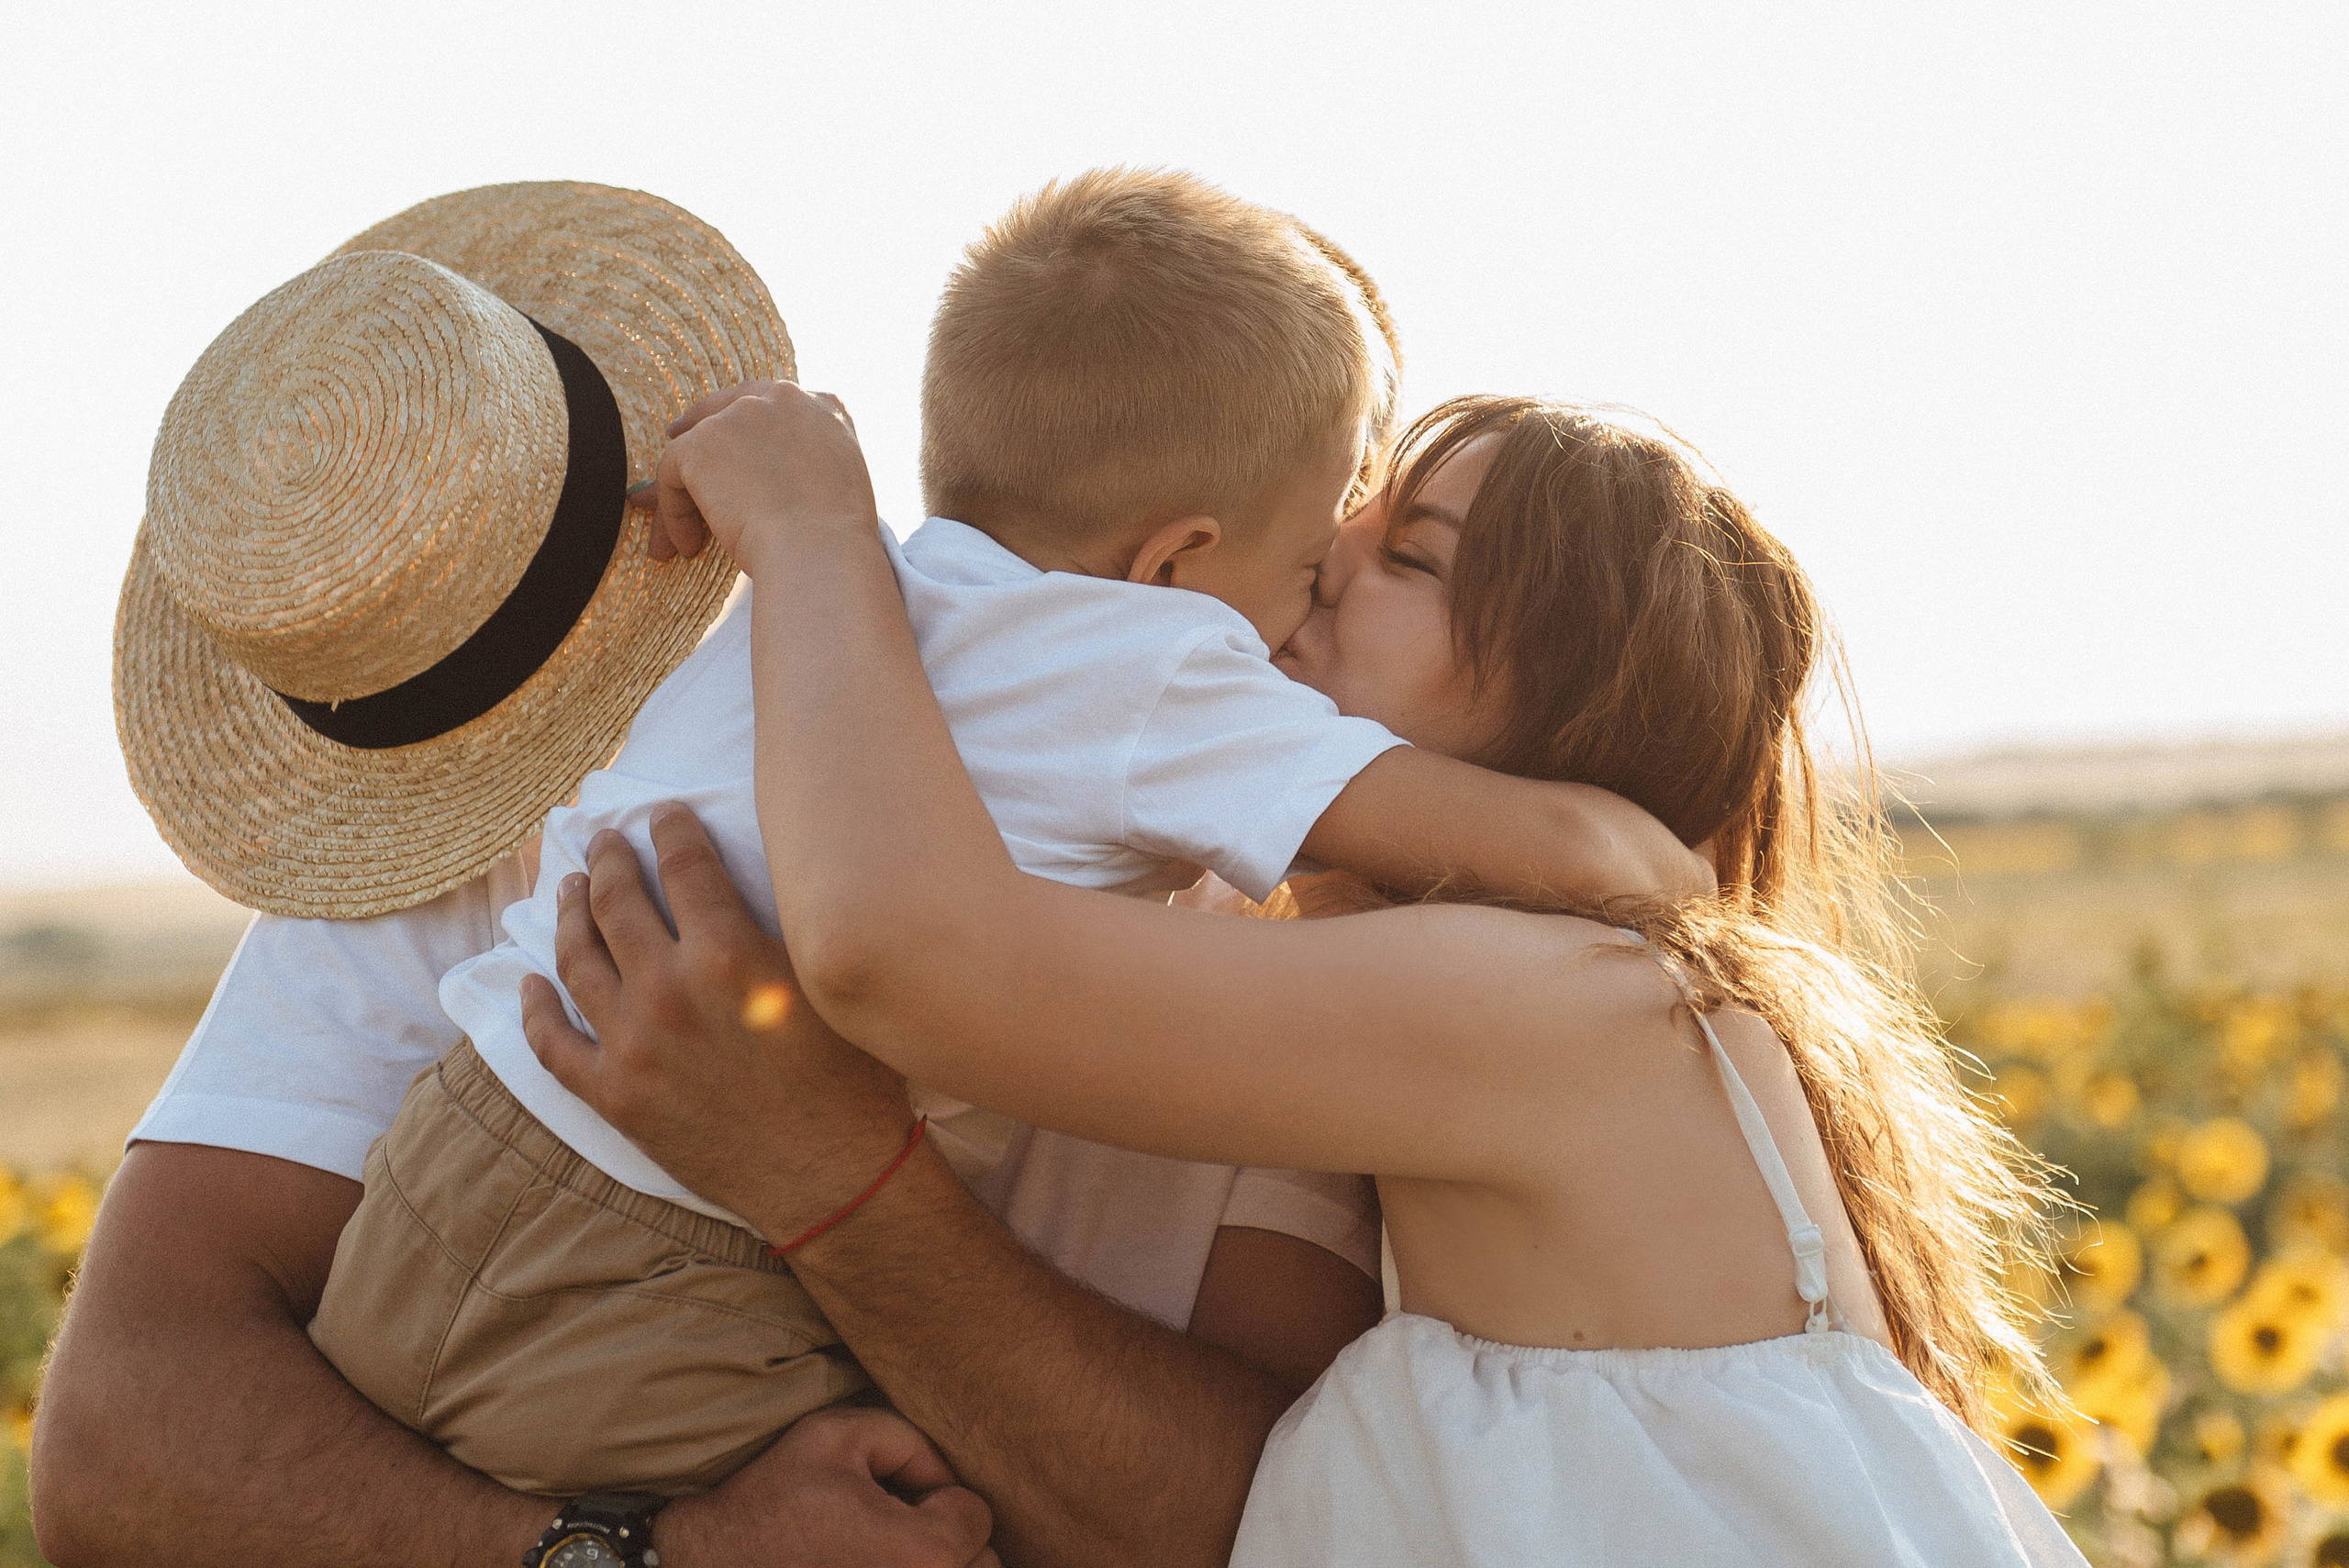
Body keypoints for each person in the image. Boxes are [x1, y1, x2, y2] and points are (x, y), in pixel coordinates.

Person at [303, 165, 1707, 1506]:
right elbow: (1568, 856)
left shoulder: (816, 589)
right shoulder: (1153, 666)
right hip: (663, 1264)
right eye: (1311, 559)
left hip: (443, 1163)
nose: (1314, 592)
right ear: (1174, 563)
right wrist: (1675, 857)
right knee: (925, 1514)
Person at [529, 383, 2087, 1565]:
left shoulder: (1551, 1002)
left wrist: (813, 541)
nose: (1329, 557)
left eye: (1410, 553)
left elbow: (909, 951)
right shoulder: (1522, 991)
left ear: (1571, 710)